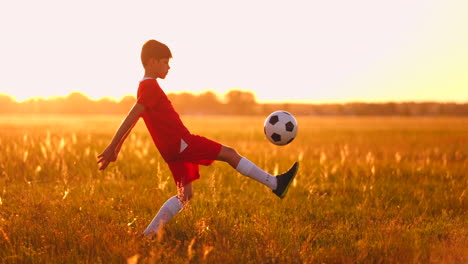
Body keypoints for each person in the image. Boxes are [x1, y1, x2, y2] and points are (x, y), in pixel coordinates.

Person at [97, 39, 299, 237]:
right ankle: (275, 184)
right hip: (182, 143)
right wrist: (112, 146)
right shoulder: (149, 87)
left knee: (185, 196)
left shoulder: (145, 86)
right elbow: (131, 116)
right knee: (230, 154)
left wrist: (115, 148)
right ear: (151, 62)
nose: (168, 67)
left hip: (172, 149)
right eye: (165, 62)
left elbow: (134, 119)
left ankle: (148, 235)